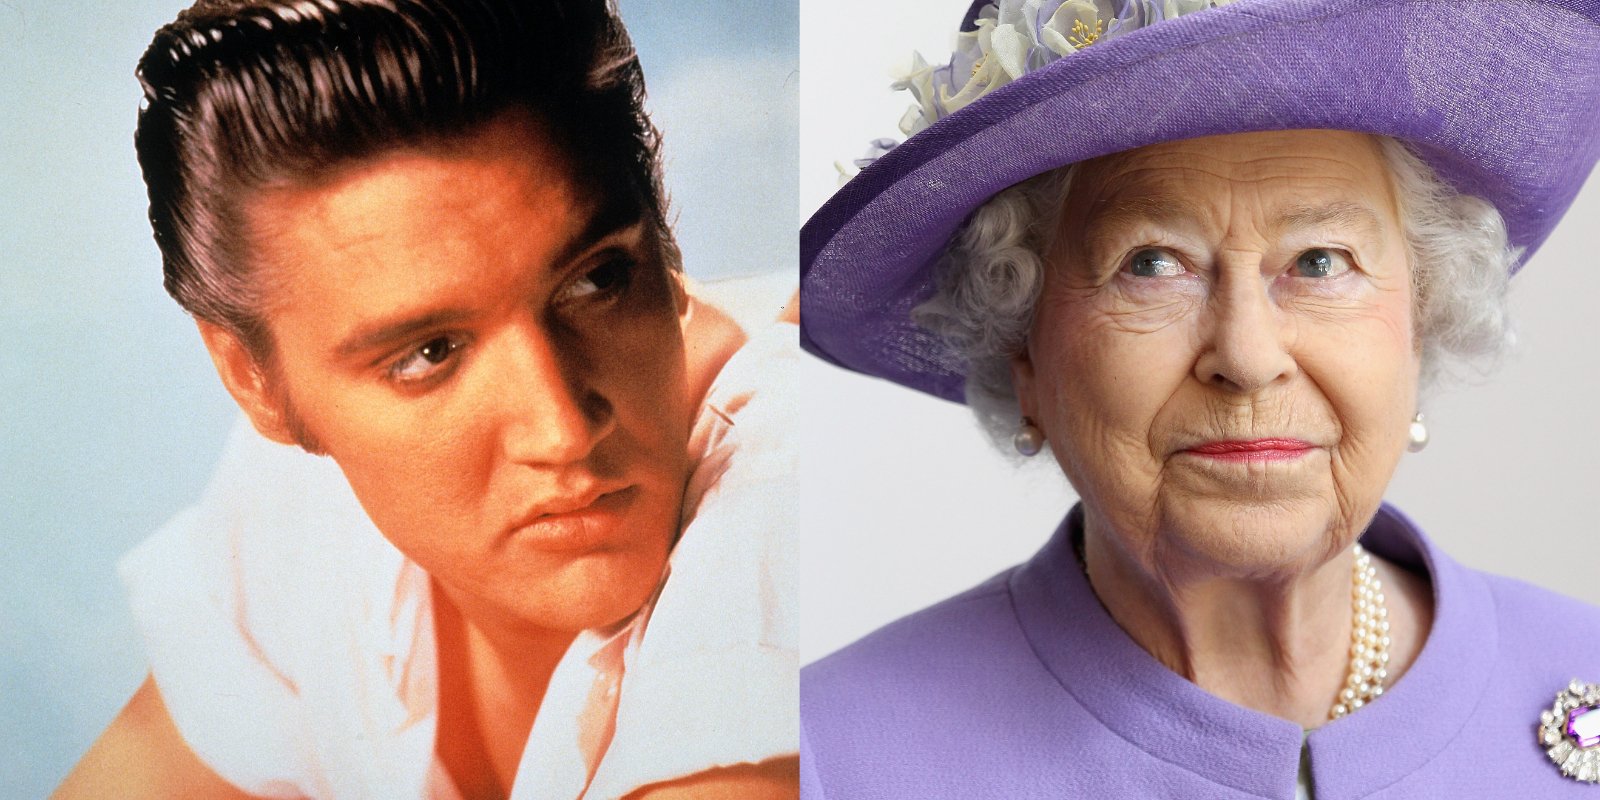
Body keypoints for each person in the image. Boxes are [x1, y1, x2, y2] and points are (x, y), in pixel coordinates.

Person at [799, 0, 1600, 796]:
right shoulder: (827, 759)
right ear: (1023, 352)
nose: (1248, 358)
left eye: (1320, 261)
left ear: (1419, 320)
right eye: (1151, 264)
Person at [54, 1, 797, 798]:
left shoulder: (795, 478)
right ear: (256, 380)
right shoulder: (297, 512)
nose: (562, 428)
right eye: (428, 354)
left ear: (662, 241)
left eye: (596, 280)